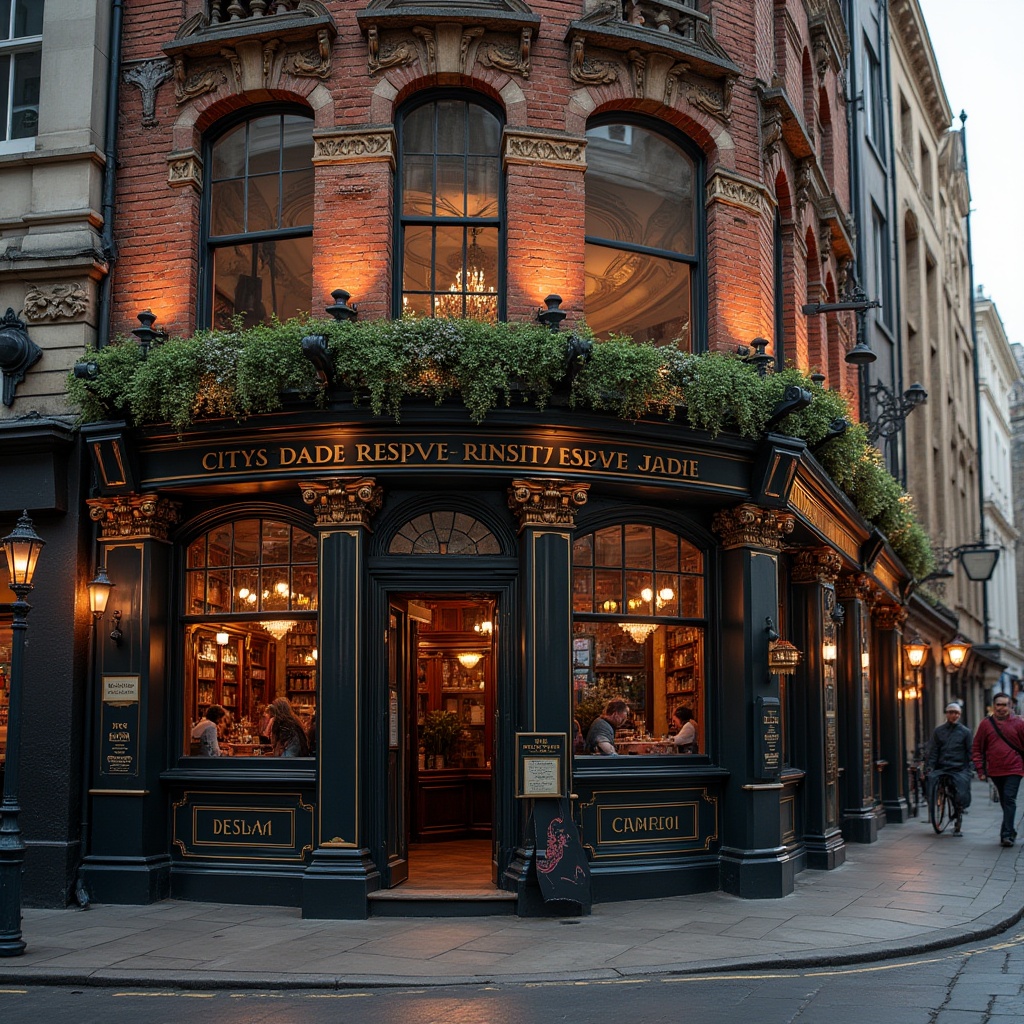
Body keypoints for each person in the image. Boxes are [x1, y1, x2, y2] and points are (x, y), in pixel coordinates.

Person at [972, 693, 1024, 847]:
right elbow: (977, 747)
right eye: (998, 705)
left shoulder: (1019, 724)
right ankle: (1010, 830)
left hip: (1015, 768)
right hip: (995, 770)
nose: (1001, 708)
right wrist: (980, 770)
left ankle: (1006, 835)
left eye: (1005, 705)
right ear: (993, 706)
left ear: (1010, 706)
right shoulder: (986, 724)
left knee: (1009, 799)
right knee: (1004, 801)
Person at [925, 702, 972, 832]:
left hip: (959, 768)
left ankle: (959, 811)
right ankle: (934, 805)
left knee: (961, 791)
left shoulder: (965, 732)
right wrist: (930, 767)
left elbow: (970, 751)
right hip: (942, 767)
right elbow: (934, 750)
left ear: (960, 715)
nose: (953, 715)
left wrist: (970, 767)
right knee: (930, 781)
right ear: (946, 714)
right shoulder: (938, 731)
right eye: (951, 712)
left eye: (956, 713)